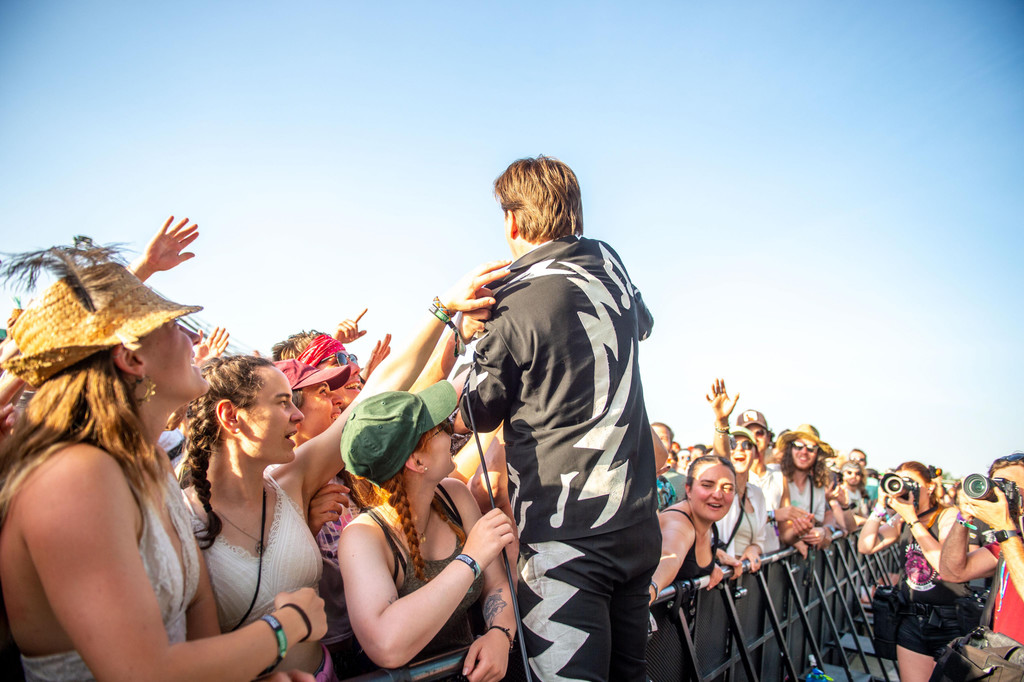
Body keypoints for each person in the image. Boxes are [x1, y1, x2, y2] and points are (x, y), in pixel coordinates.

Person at [0, 241, 325, 681]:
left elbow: (195, 619)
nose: (193, 339)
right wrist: (285, 628)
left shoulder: (148, 460)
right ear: (132, 357)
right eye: (173, 325)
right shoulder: (75, 475)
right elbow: (141, 671)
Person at [183, 261, 509, 678]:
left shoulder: (291, 482)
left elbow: (378, 392)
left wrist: (441, 310)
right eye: (283, 403)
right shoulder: (181, 519)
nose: (297, 416)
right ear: (232, 417)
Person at [459, 156, 658, 681]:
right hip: (638, 525)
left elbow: (473, 411)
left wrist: (461, 328)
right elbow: (643, 324)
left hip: (565, 539)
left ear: (512, 221)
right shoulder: (608, 259)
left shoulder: (512, 297)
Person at [337, 383, 517, 681]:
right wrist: (470, 560)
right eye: (441, 426)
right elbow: (386, 645)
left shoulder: (454, 496)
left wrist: (500, 632)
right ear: (417, 461)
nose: (451, 432)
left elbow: (497, 584)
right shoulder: (363, 537)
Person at [858, 461, 971, 682]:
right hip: (911, 616)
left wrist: (913, 520)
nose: (905, 488)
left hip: (948, 619)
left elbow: (945, 565)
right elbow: (865, 545)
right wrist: (880, 506)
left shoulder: (947, 516)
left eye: (911, 483)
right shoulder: (901, 519)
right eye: (900, 482)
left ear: (930, 487)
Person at [939, 453, 1024, 646]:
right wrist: (964, 517)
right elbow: (953, 571)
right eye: (997, 487)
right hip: (1004, 655)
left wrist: (1004, 527)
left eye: (1011, 488)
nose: (1001, 495)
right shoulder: (1011, 541)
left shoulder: (1009, 538)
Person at [650, 455, 737, 600]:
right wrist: (651, 589)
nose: (717, 494)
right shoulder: (679, 522)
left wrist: (714, 560)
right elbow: (670, 556)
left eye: (727, 488)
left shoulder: (704, 520)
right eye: (707, 485)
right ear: (688, 489)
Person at [776, 424, 849, 554]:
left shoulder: (817, 486)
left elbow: (828, 514)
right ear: (790, 449)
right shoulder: (775, 476)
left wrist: (826, 530)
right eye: (798, 446)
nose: (804, 452)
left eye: (811, 448)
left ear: (818, 454)